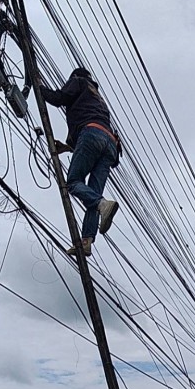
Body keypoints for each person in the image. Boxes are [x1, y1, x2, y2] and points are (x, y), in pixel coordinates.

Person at [40, 68, 121, 255]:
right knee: (92, 195)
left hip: (92, 133)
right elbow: (96, 135)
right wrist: (68, 148)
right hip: (110, 145)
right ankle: (87, 241)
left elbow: (59, 98)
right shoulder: (97, 97)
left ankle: (102, 204)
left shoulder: (79, 81)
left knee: (74, 182)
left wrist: (40, 87)